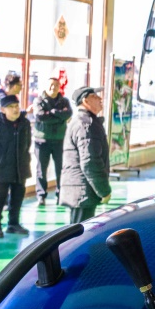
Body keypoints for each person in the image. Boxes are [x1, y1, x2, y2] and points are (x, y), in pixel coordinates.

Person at [0, 94, 32, 237]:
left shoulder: (24, 124)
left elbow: (27, 143)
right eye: (11, 107)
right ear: (3, 110)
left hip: (20, 167)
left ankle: (13, 224)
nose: (15, 109)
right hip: (1, 168)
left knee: (17, 196)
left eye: (16, 106)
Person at [60, 86, 111, 223]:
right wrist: (104, 190)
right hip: (82, 191)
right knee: (80, 232)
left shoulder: (85, 121)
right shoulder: (86, 125)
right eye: (95, 96)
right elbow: (90, 161)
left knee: (78, 230)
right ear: (85, 101)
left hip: (81, 190)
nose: (100, 98)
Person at [32, 76, 72, 205]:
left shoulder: (64, 101)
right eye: (51, 85)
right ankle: (41, 195)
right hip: (42, 141)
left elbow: (68, 114)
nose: (53, 88)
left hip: (60, 140)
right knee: (41, 170)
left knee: (61, 169)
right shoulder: (38, 100)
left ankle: (60, 194)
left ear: (59, 87)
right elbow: (40, 116)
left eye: (56, 85)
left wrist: (52, 112)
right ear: (45, 86)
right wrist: (59, 115)